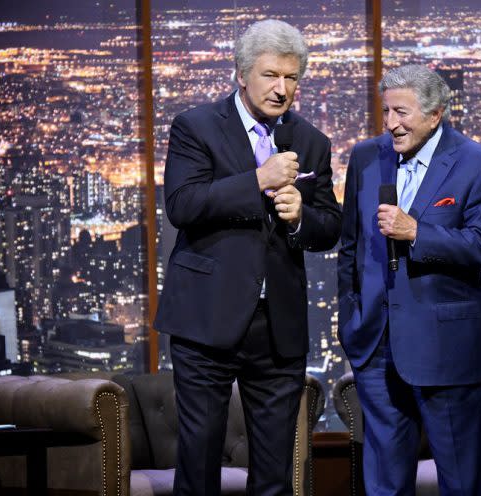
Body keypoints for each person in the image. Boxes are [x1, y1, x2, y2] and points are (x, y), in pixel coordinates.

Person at [154, 19, 341, 496]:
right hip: (206, 318)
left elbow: (331, 227)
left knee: (275, 471)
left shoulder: (312, 141)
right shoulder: (195, 127)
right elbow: (182, 205)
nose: (282, 89)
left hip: (277, 326)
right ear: (242, 74)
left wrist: (302, 218)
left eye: (292, 78)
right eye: (271, 75)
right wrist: (258, 180)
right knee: (199, 463)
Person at [337, 64, 481, 496]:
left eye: (402, 112)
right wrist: (351, 320)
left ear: (435, 114)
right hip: (375, 346)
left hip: (446, 350)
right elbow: (350, 248)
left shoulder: (477, 163)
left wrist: (416, 232)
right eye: (387, 111)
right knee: (383, 485)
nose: (391, 123)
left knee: (460, 483)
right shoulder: (366, 157)